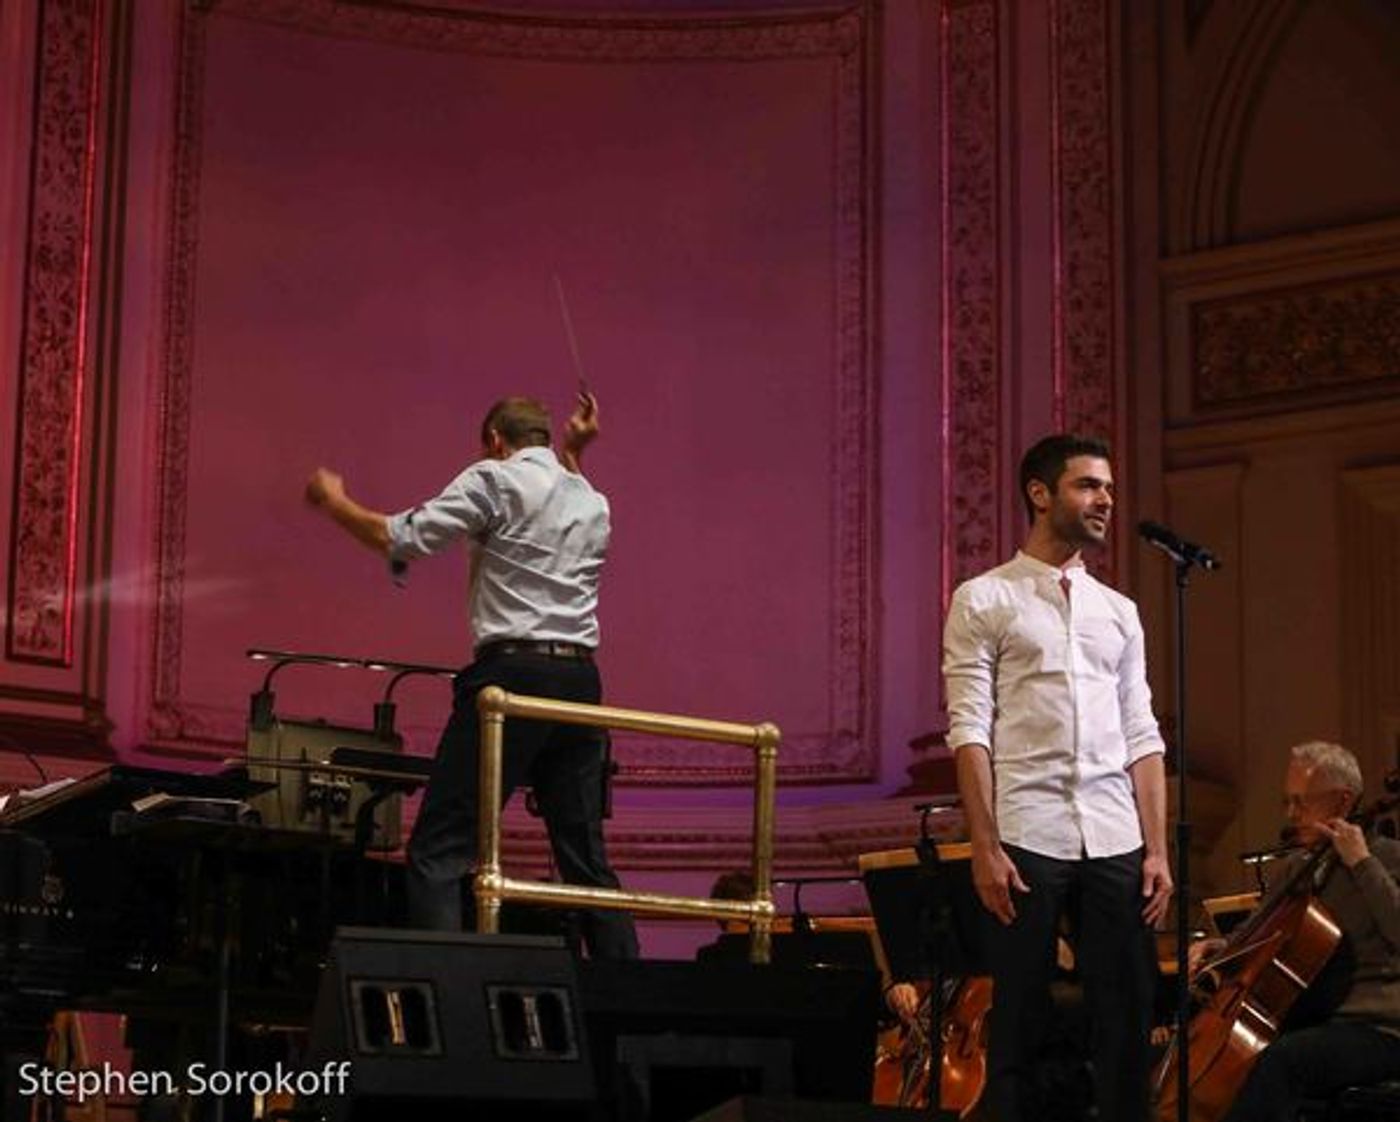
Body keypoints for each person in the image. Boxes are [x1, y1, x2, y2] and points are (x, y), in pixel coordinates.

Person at [304, 392, 639, 960]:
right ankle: (634, 1010)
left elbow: (400, 537)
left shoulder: (494, 479)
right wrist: (575, 453)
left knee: (440, 849)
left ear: (494, 441)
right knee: (586, 860)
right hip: (582, 685)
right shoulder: (593, 499)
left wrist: (334, 502)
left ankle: (451, 1000)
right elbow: (563, 503)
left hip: (512, 679)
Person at [944, 433, 1173, 1122]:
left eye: (1107, 486)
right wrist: (984, 844)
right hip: (1026, 833)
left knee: (1128, 1020)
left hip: (1114, 835)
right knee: (1019, 1022)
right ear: (1041, 494)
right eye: (1087, 485)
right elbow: (970, 728)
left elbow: (1142, 732)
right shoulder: (985, 599)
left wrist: (1156, 847)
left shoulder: (1120, 612)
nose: (1105, 498)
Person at [1189, 741, 1400, 1121]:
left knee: (1282, 1062)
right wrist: (1219, 948)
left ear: (1342, 802)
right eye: (1287, 802)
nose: (1291, 814)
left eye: (1301, 803)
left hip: (1375, 1029)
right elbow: (1258, 933)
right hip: (1309, 1019)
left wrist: (1363, 864)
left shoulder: (1387, 859)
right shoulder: (1299, 867)